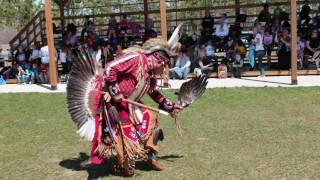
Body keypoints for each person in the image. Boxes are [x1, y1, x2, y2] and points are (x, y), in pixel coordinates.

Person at [83, 25, 185, 177]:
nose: (164, 70)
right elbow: (110, 68)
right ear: (158, 60)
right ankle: (121, 163)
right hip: (115, 103)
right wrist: (114, 91)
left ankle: (151, 155)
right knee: (126, 138)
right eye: (164, 66)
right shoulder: (137, 59)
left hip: (129, 103)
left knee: (150, 118)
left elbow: (153, 93)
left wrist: (168, 106)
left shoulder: (149, 72)